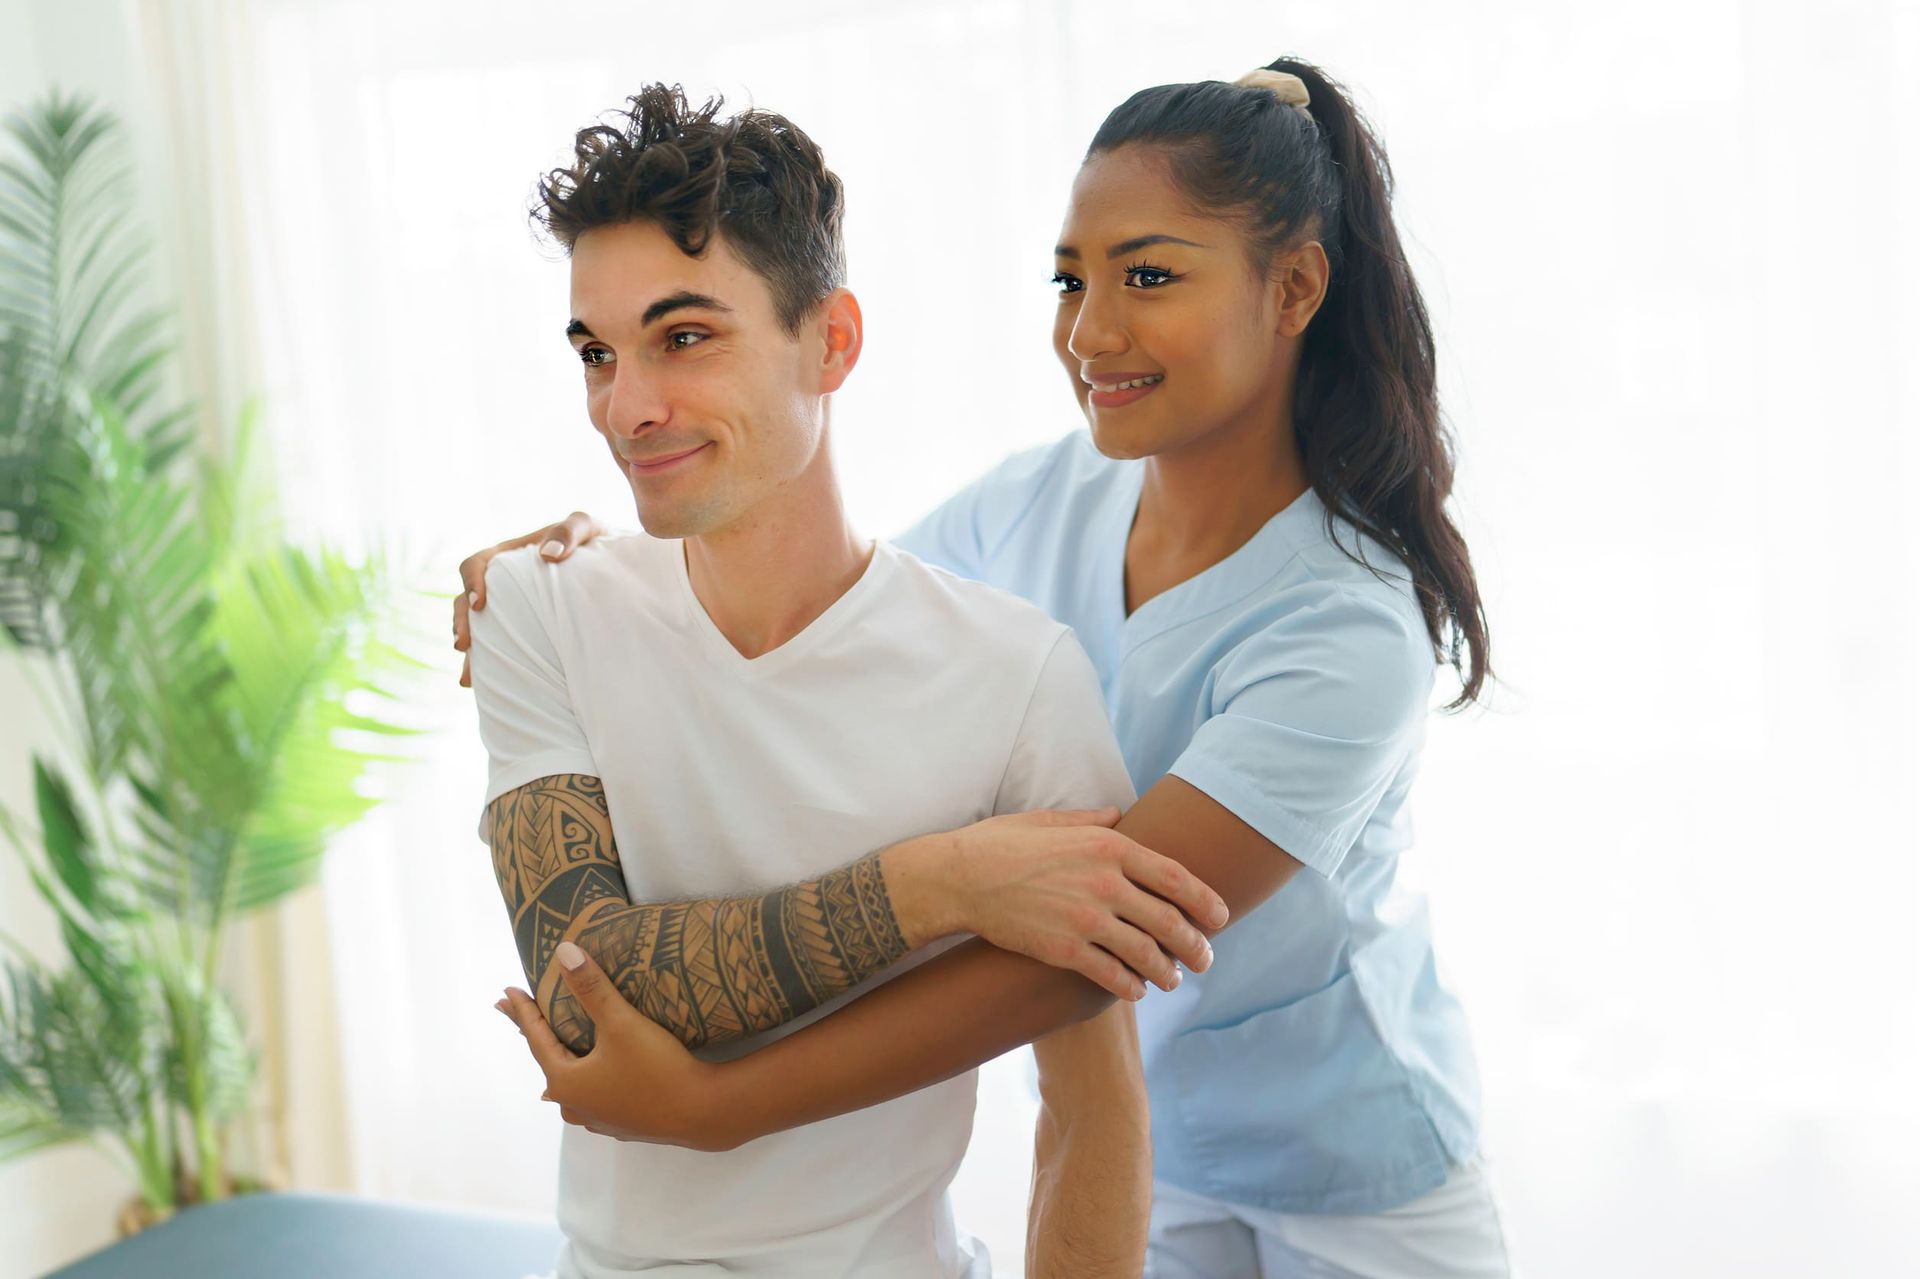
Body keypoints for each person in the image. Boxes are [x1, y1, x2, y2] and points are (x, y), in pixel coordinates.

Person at [473, 58, 1514, 1278]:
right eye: (1072, 279)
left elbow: (1077, 950)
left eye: (1148, 276)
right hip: (1169, 1151)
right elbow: (829, 600)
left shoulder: (1350, 632)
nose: (1091, 330)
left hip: (1353, 1160)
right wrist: (604, 559)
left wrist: (716, 1107)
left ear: (1293, 289)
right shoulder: (1044, 500)